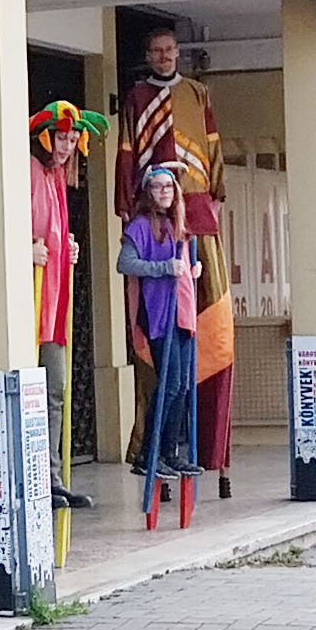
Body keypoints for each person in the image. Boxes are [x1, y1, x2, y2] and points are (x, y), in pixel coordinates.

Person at [113, 26, 234, 494]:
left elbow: (214, 149)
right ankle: (151, 451)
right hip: (157, 250)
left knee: (204, 354)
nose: (164, 57)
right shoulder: (136, 97)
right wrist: (130, 208)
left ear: (178, 52)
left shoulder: (198, 93)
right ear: (148, 55)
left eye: (169, 50)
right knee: (162, 369)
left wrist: (212, 200)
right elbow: (128, 155)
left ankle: (200, 451)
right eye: (156, 51)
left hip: (198, 217)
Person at [29, 102, 107, 511]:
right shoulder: (27, 170)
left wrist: (66, 246)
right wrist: (26, 250)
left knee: (55, 392)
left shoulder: (58, 177)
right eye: (62, 138)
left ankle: (52, 480)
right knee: (34, 394)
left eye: (73, 139)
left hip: (54, 305)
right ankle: (35, 481)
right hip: (28, 306)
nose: (67, 146)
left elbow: (53, 231)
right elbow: (3, 227)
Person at [120, 166, 204, 477]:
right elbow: (125, 263)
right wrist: (163, 267)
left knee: (181, 386)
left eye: (169, 186)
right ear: (148, 192)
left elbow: (180, 265)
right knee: (169, 384)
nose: (164, 191)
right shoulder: (141, 226)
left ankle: (170, 452)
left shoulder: (177, 225)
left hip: (182, 313)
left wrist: (192, 270)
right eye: (157, 187)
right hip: (159, 313)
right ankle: (148, 453)